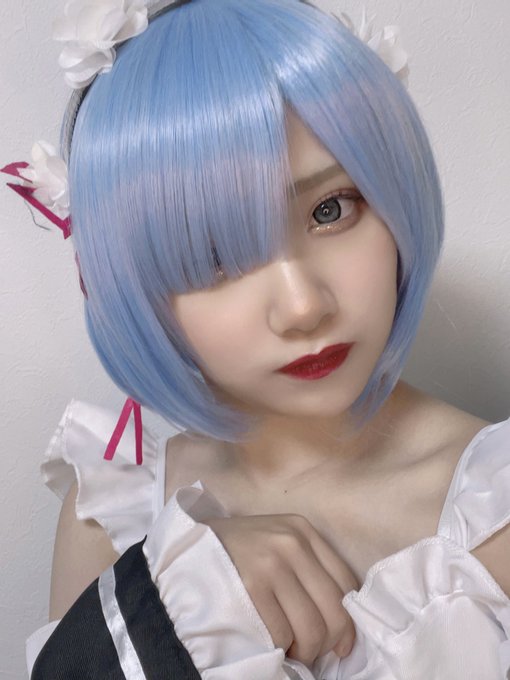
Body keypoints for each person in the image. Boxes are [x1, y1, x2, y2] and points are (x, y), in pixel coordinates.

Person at [5, 0, 510, 677]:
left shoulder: (494, 511)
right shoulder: (111, 516)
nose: (303, 307)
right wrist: (167, 608)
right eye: (214, 252)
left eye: (330, 209)